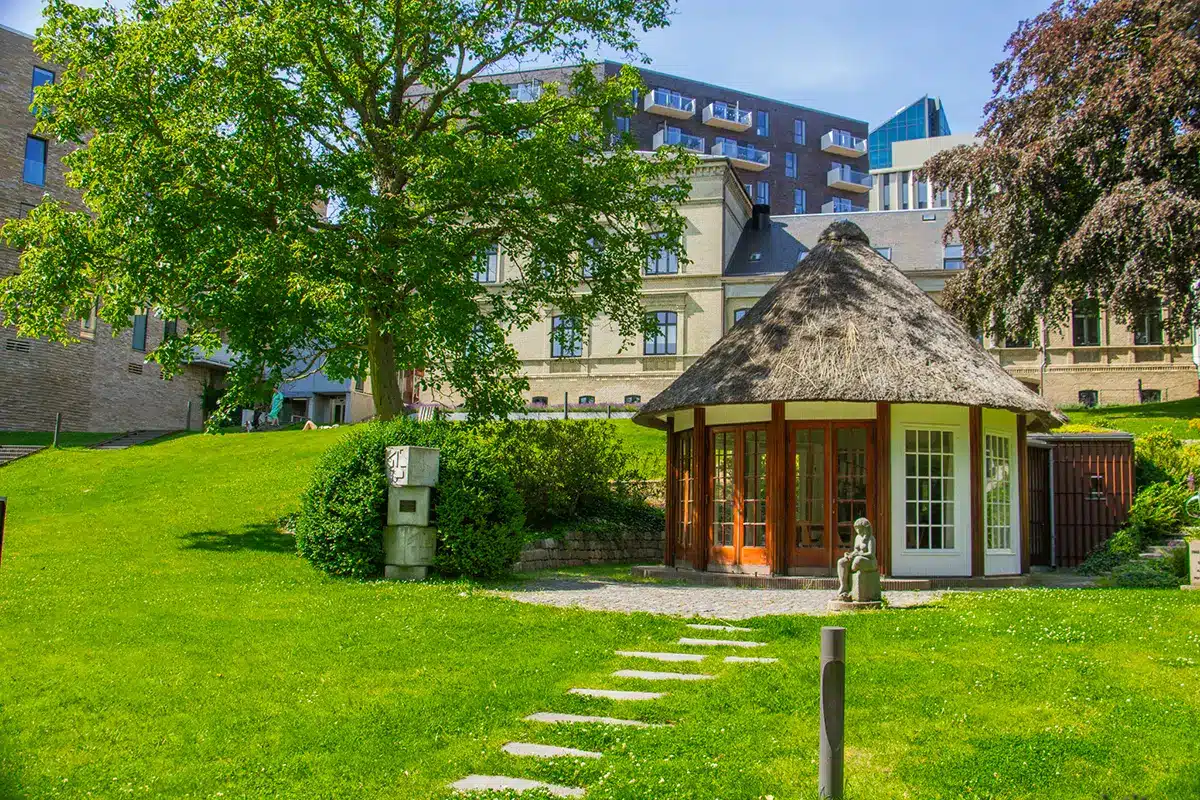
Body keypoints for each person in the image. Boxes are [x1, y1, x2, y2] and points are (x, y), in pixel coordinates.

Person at [836, 517, 878, 601]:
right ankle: (844, 586)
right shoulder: (857, 538)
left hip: (869, 561)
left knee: (857, 561)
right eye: (856, 529)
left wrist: (858, 554)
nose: (858, 531)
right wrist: (850, 554)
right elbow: (856, 550)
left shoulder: (870, 539)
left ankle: (854, 588)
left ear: (865, 528)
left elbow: (871, 554)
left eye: (859, 528)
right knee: (841, 562)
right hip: (858, 557)